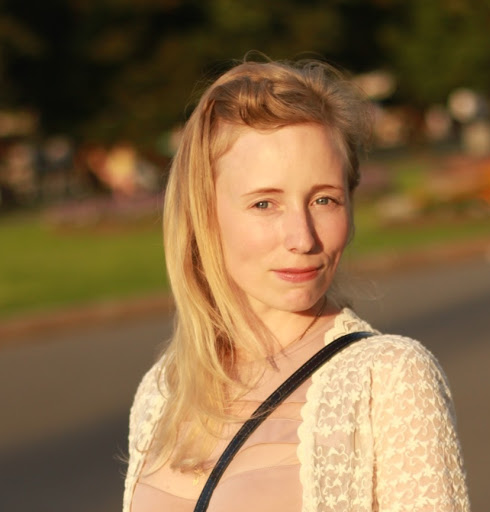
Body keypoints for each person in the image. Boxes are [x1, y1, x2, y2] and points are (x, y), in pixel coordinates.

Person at [123, 57, 470, 512]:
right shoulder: (162, 390)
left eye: (324, 200)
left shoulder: (388, 379)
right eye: (265, 204)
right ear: (202, 213)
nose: (303, 238)